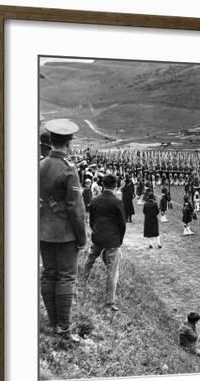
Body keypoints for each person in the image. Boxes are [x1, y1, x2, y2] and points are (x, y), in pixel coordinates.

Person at [39, 119, 86, 341]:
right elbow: (75, 207)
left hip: (43, 231)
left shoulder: (39, 165)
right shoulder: (69, 170)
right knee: (66, 277)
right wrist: (82, 237)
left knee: (49, 274)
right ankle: (63, 328)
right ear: (69, 142)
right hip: (65, 234)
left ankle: (52, 322)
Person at [81, 173, 126, 312]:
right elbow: (122, 224)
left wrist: (96, 232)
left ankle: (81, 284)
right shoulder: (117, 202)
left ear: (102, 185)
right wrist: (119, 240)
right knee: (112, 271)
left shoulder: (95, 201)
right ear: (115, 186)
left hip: (98, 236)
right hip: (112, 239)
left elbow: (92, 220)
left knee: (89, 261)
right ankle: (109, 302)